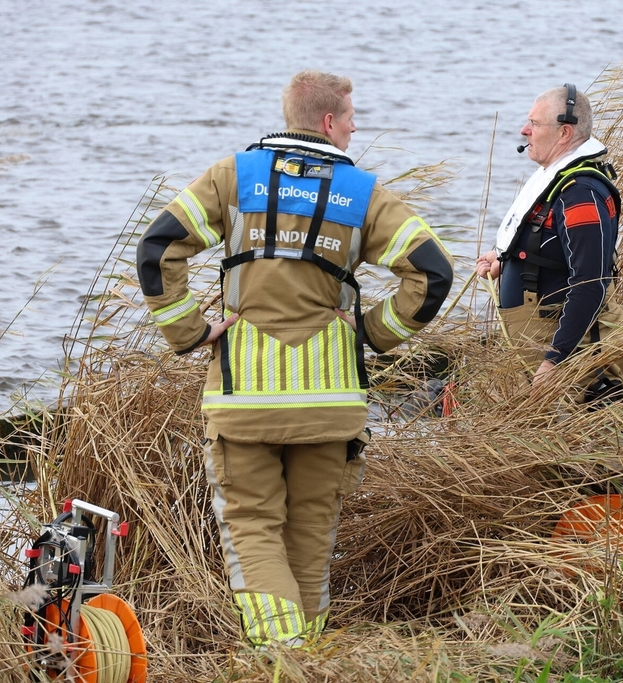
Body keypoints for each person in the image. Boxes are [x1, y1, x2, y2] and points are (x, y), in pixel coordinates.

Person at [135, 70, 454, 649]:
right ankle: (311, 653)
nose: (356, 128)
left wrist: (190, 332)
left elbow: (157, 247)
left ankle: (283, 658)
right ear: (329, 122)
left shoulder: (233, 177)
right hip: (330, 402)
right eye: (352, 117)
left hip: (244, 401)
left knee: (253, 532)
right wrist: (373, 330)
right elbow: (433, 273)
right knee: (312, 535)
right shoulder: (362, 193)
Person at [475, 83, 623, 405]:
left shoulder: (581, 193)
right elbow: (550, 243)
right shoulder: (558, 179)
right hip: (538, 338)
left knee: (587, 446)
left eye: (535, 124)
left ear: (564, 134)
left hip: (573, 351)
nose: (524, 130)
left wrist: (554, 360)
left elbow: (590, 282)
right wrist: (508, 259)